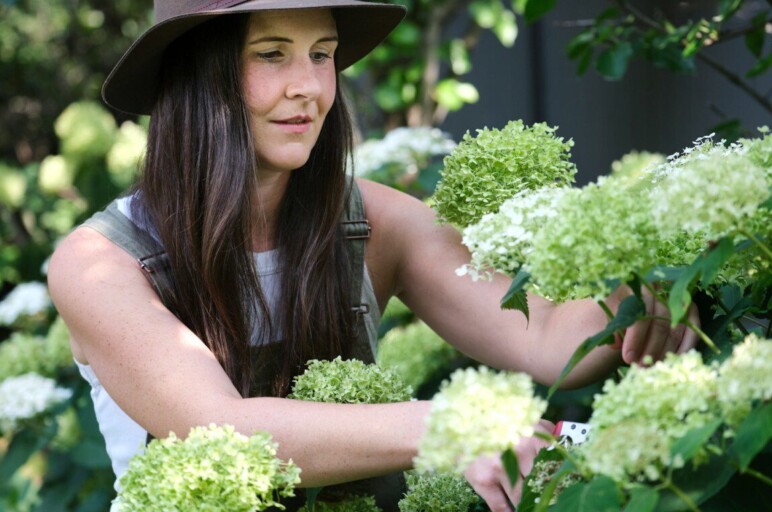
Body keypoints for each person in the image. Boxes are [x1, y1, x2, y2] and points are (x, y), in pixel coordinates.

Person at [47, 1, 699, 510]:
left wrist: (638, 288)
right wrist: (457, 425)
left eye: (322, 54)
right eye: (272, 54)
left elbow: (550, 338)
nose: (308, 86)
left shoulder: (376, 219)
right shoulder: (100, 265)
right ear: (197, 72)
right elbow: (220, 431)